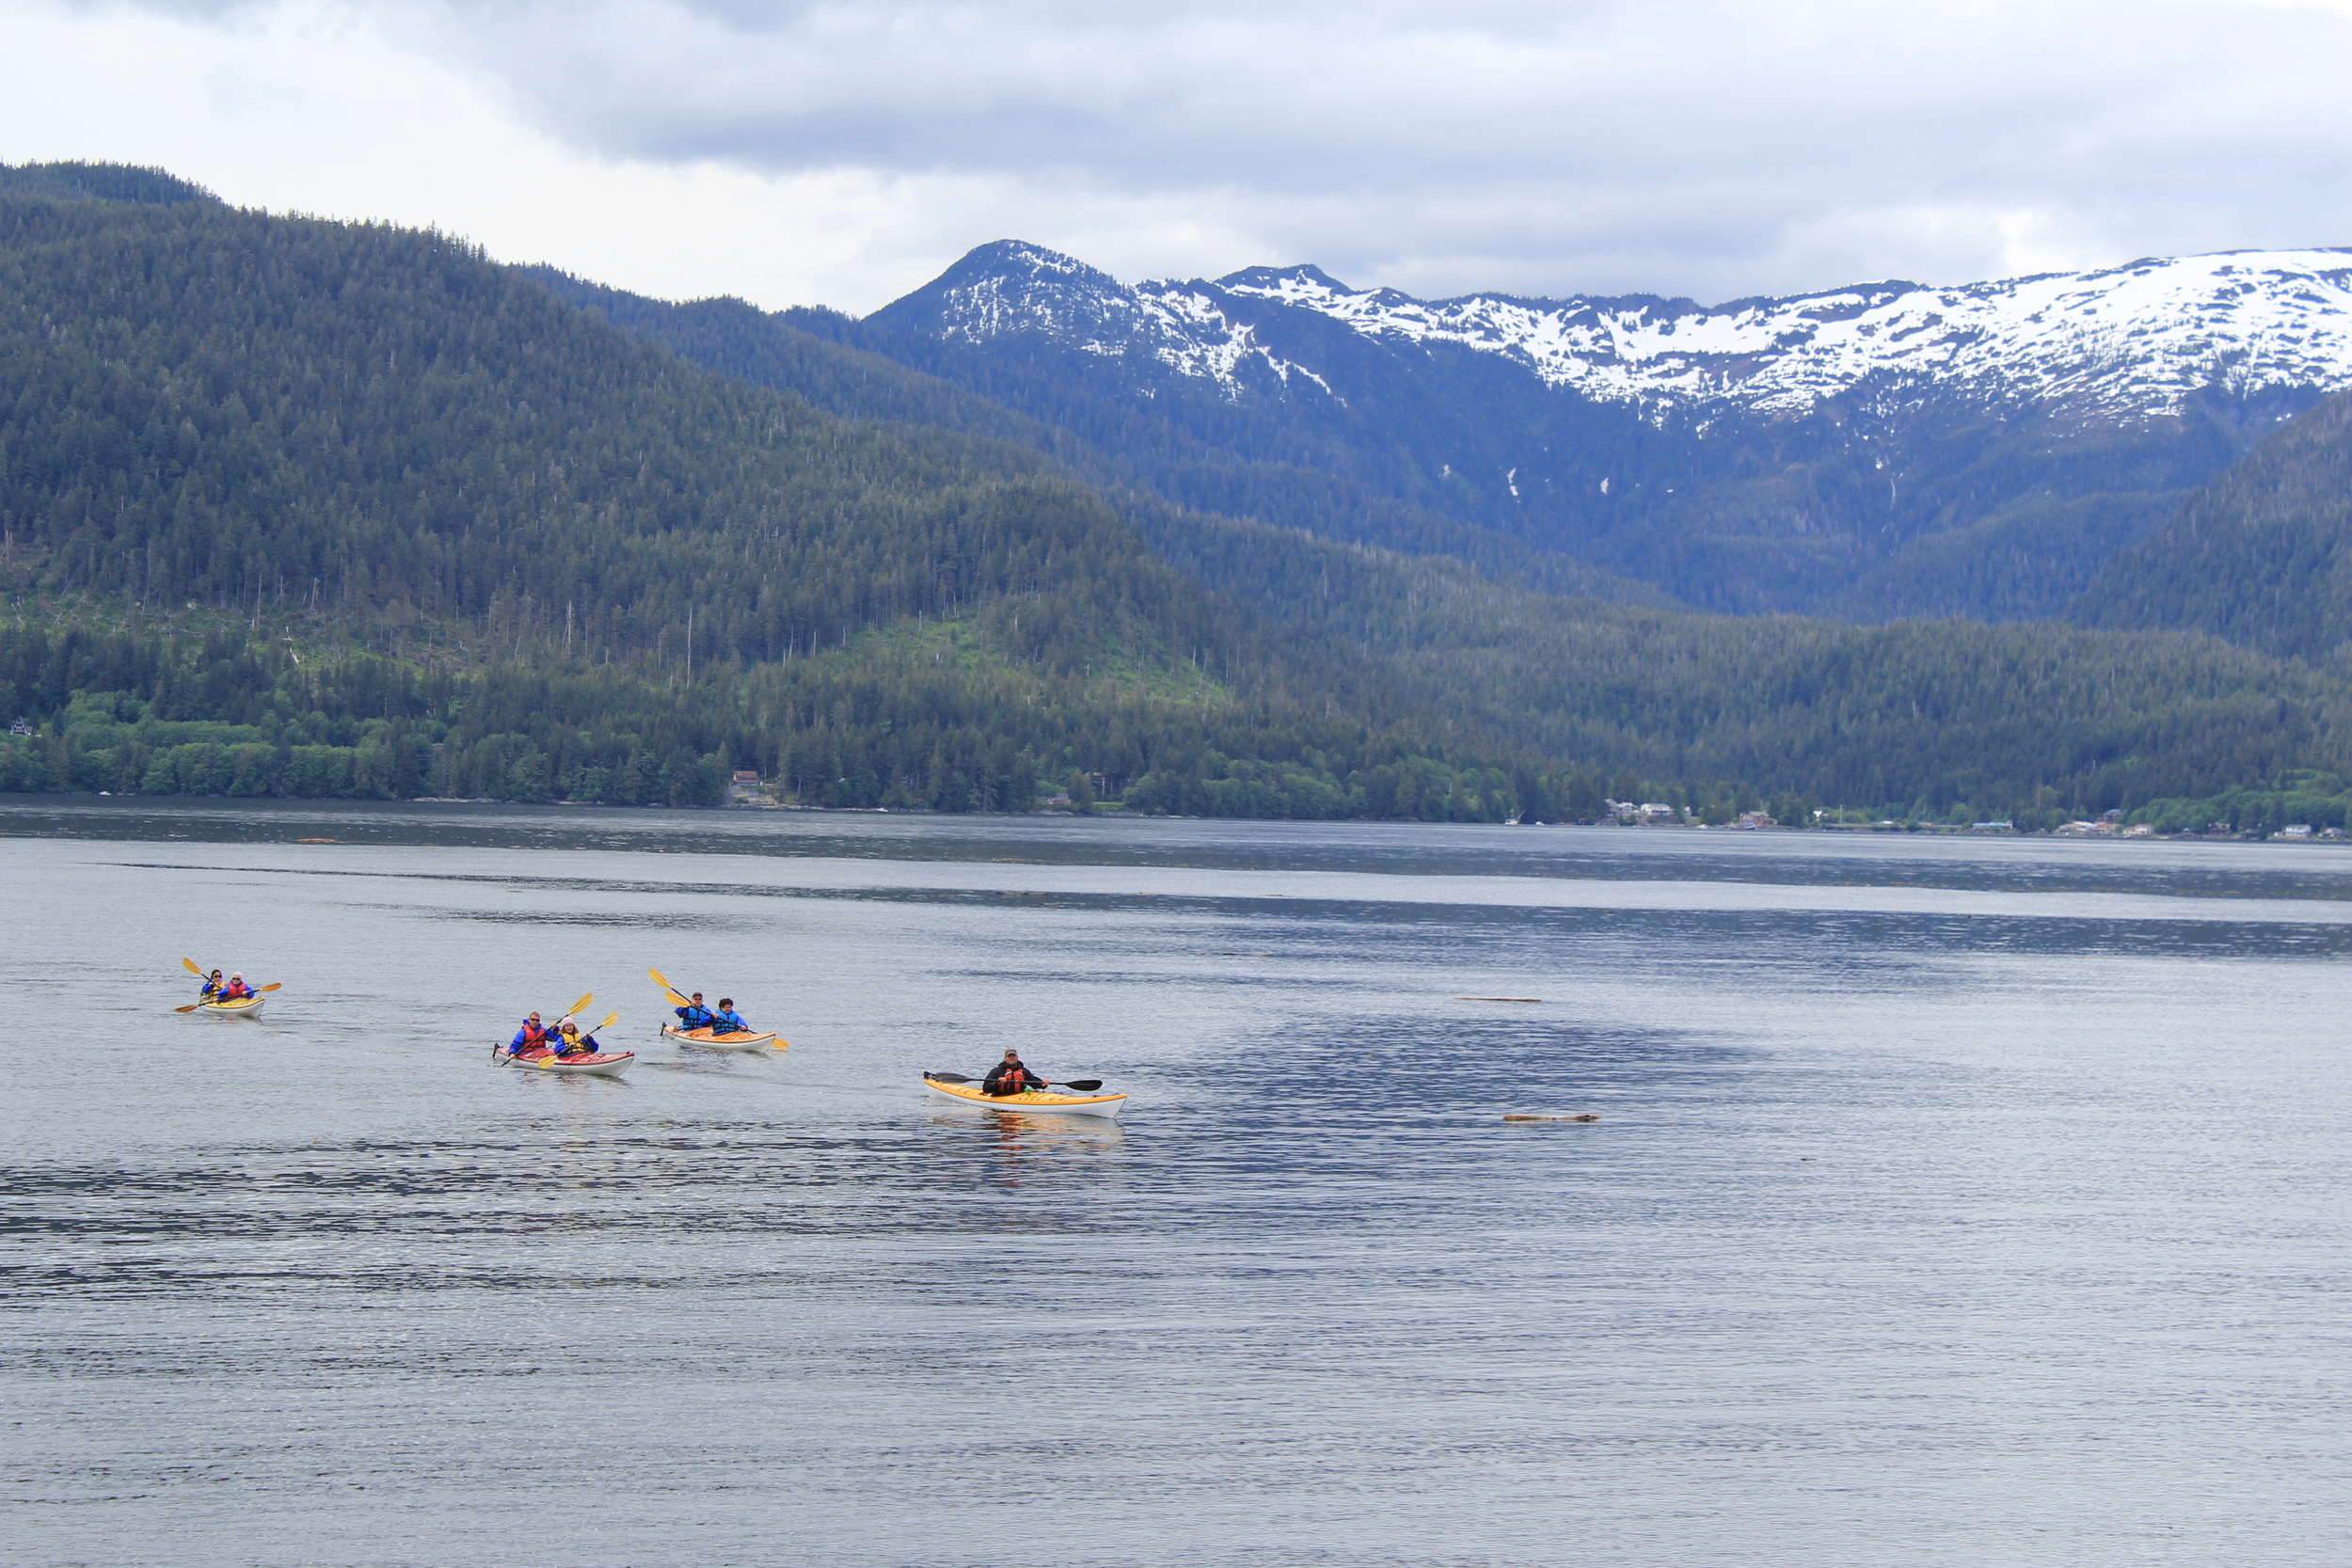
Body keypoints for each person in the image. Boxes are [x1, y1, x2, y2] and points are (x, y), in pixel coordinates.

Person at [982, 1050, 1048, 1096]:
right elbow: (986, 1088)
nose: (1012, 1058)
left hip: (1019, 1097)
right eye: (1009, 1056)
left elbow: (1034, 1082)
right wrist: (998, 1083)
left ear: (1017, 1058)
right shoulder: (997, 1071)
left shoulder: (1023, 1071)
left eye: (1013, 1056)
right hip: (1000, 1096)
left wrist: (1043, 1084)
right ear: (1005, 1059)